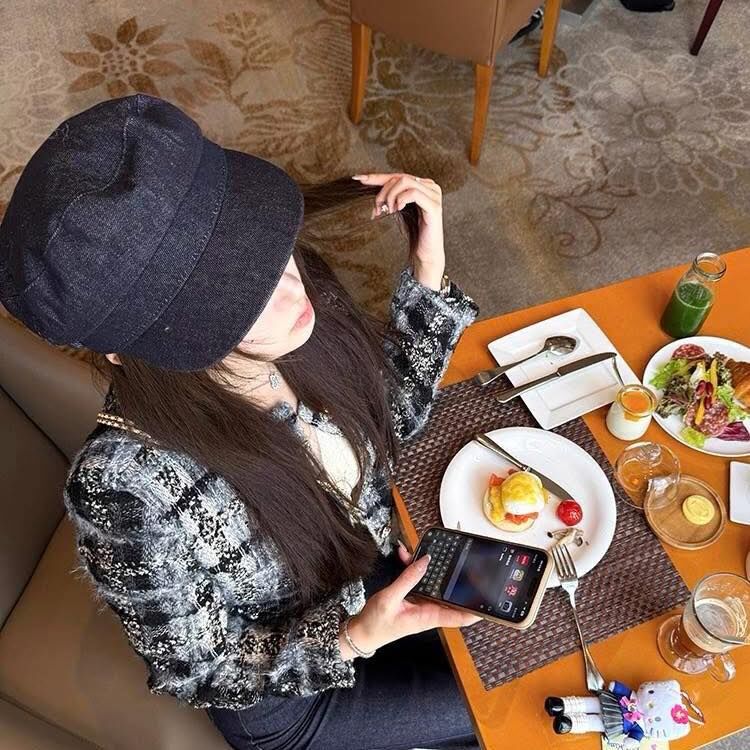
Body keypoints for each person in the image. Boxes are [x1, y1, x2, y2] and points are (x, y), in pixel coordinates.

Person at [0, 94, 483, 750]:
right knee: (514, 708)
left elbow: (385, 425)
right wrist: (351, 636)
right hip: (293, 695)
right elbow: (199, 669)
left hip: (378, 568)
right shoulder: (123, 489)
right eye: (228, 302)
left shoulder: (294, 312)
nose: (288, 286)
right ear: (125, 351)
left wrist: (427, 278)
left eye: (258, 247)